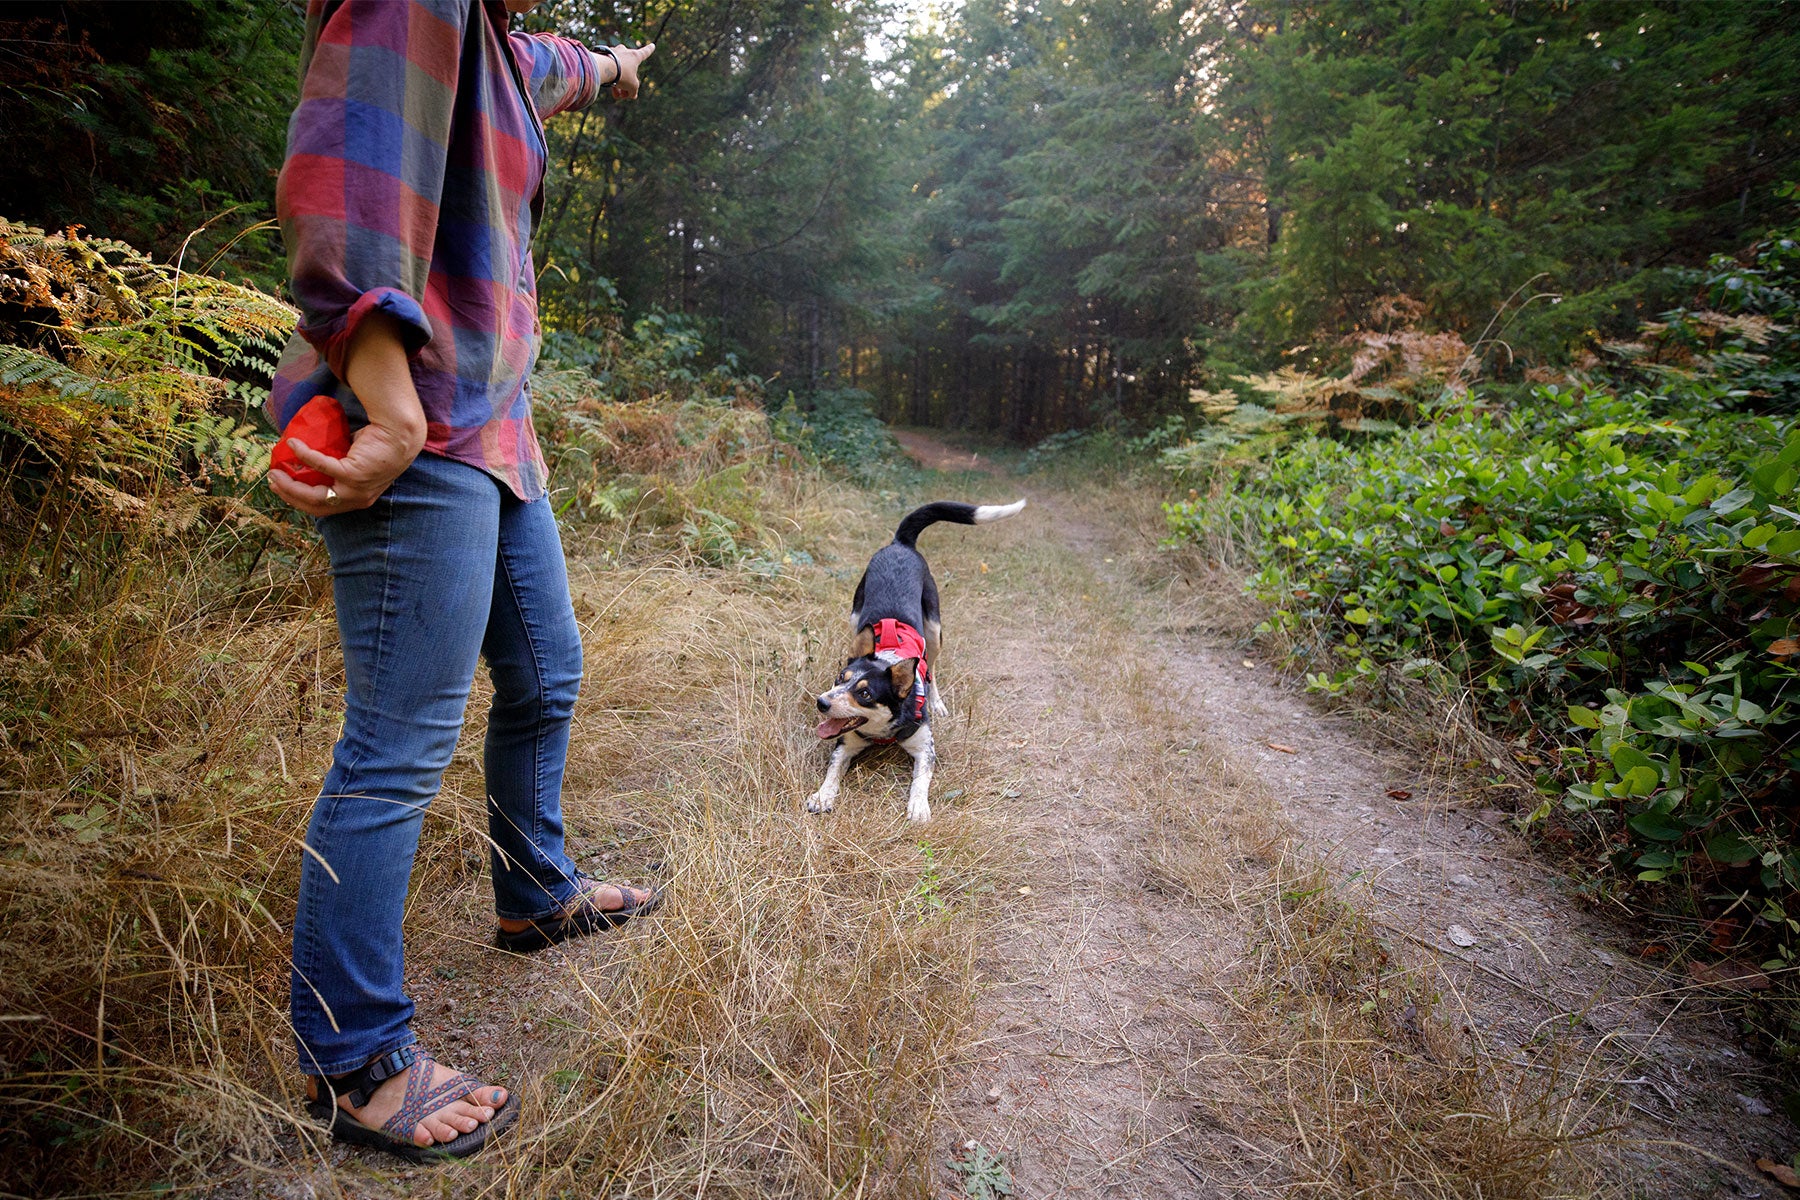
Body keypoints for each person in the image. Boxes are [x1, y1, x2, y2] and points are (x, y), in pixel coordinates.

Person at [264, 0, 657, 1162]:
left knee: (546, 672)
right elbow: (346, 179)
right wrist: (382, 392)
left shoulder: (487, 37)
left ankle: (535, 890)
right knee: (399, 739)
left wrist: (615, 66)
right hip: (423, 429)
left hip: (495, 426)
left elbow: (549, 70)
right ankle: (359, 1060)